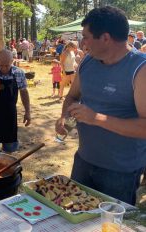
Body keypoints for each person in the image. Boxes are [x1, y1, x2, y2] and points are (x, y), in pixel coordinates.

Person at [55, 6, 146, 205]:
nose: (82, 43)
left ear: (105, 38)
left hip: (120, 172)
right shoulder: (88, 62)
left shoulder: (140, 69)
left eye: (86, 37)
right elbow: (72, 96)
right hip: (84, 161)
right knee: (76, 218)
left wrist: (96, 118)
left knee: (110, 225)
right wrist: (64, 117)